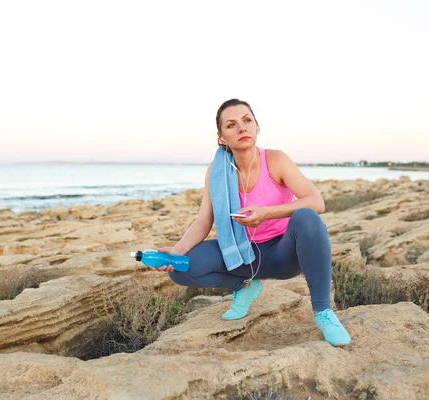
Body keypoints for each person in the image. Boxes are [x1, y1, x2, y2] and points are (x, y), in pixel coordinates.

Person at [150, 99, 350, 347]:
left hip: (281, 254)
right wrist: (178, 250)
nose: (242, 128)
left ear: (257, 127)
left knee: (307, 217)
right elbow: (204, 220)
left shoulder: (275, 160)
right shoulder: (217, 170)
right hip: (241, 256)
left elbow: (317, 202)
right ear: (222, 137)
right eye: (231, 125)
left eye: (247, 120)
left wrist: (266, 213)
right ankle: (243, 287)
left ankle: (323, 313)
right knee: (182, 268)